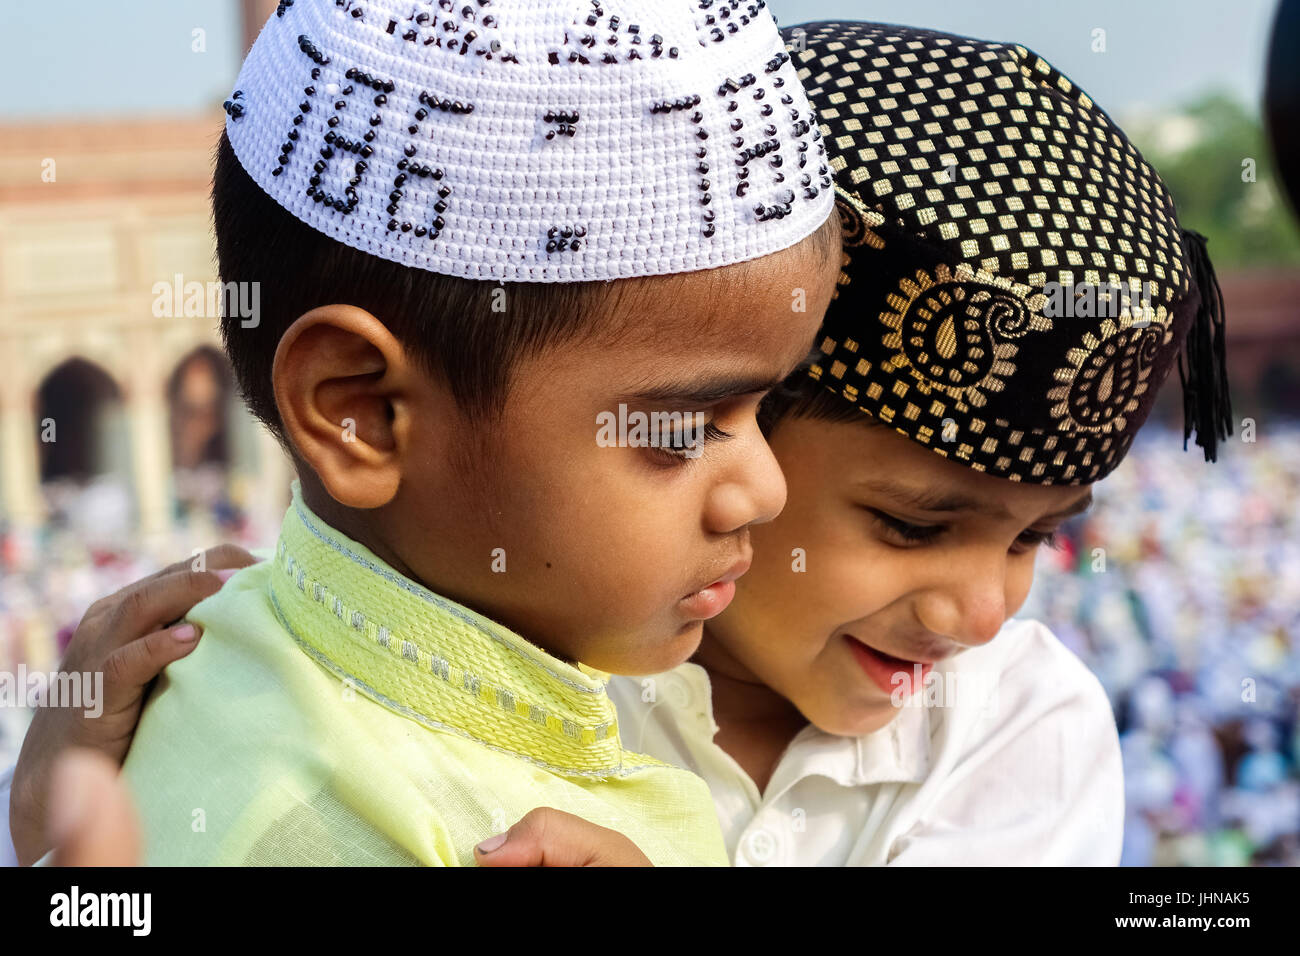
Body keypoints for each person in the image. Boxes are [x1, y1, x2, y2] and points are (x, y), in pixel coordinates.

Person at [5, 19, 1231, 867]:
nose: (981, 609)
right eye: (909, 522)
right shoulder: (516, 653)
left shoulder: (1015, 722)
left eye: (1037, 538)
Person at [12, 0, 842, 867]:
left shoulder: (251, 680)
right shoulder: (335, 827)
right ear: (361, 414)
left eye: (765, 409)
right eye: (679, 429)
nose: (767, 487)